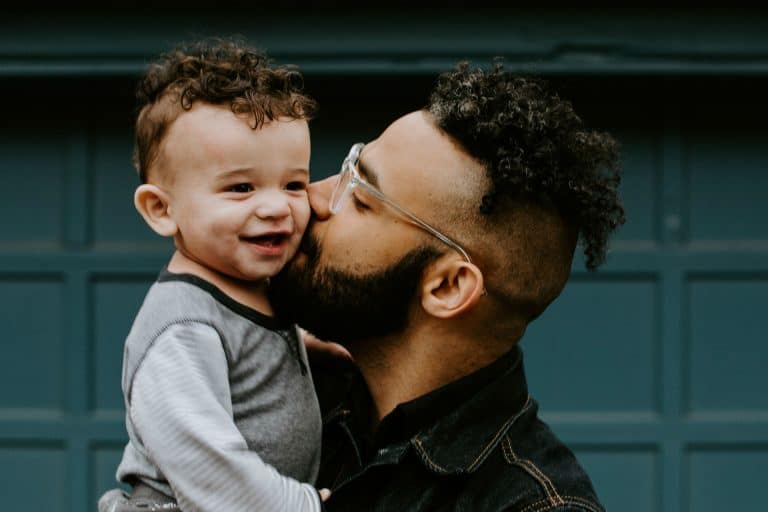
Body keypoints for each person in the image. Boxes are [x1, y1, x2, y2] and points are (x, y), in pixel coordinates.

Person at [268, 61, 625, 511]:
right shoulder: (274, 387)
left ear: (449, 286)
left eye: (359, 197)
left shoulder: (529, 504)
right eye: (347, 169)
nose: (311, 197)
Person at [98, 38, 327, 512]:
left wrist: (309, 347)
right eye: (241, 187)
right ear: (161, 209)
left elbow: (249, 358)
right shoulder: (182, 329)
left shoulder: (248, 288)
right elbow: (208, 467)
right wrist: (305, 506)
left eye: (294, 184)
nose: (276, 206)